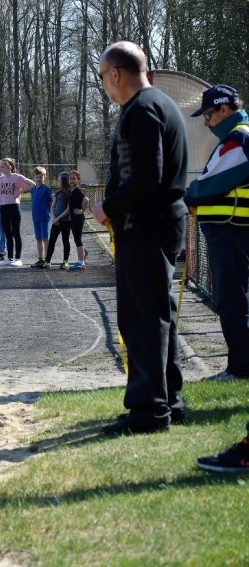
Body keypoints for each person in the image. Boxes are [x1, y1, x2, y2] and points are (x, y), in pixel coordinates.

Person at [91, 41, 188, 435]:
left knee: (143, 320)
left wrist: (107, 208)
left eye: (102, 77)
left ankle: (149, 412)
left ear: (116, 73)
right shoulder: (160, 104)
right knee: (158, 316)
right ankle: (169, 402)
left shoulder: (143, 109)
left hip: (146, 228)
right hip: (158, 225)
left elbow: (146, 176)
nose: (103, 85)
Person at [184, 84, 249, 381]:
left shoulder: (238, 137)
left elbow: (214, 182)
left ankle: (240, 369)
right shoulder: (234, 137)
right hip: (228, 230)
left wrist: (191, 195)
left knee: (232, 298)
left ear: (225, 109)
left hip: (231, 230)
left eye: (209, 115)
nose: (206, 123)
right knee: (232, 297)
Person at [0, 157, 36, 266]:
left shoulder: (17, 177)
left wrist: (20, 191)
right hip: (3, 207)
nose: (1, 169)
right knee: (7, 233)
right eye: (1, 166)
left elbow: (32, 184)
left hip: (14, 206)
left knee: (15, 232)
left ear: (10, 166)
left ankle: (18, 258)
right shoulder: (0, 179)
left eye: (3, 166)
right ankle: (9, 257)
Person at [44, 171, 72, 270]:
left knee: (65, 241)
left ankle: (65, 261)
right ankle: (47, 261)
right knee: (52, 240)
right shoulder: (58, 193)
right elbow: (52, 207)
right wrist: (54, 218)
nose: (57, 182)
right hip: (56, 222)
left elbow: (68, 209)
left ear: (64, 182)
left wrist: (59, 218)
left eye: (59, 180)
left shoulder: (69, 194)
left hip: (66, 221)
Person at [29, 166, 54, 268]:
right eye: (37, 177)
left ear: (45, 177)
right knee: (38, 238)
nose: (39, 179)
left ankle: (47, 260)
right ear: (34, 177)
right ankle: (40, 259)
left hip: (44, 216)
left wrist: (52, 214)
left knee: (45, 237)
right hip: (35, 217)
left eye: (41, 177)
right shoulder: (33, 189)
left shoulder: (46, 189)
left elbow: (51, 202)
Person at [68, 170, 91, 270]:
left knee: (77, 239)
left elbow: (86, 200)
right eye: (70, 179)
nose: (72, 180)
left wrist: (82, 211)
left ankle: (81, 262)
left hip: (78, 218)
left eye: (74, 178)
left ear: (78, 180)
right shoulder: (71, 191)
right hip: (73, 218)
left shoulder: (77, 191)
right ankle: (82, 255)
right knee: (77, 238)